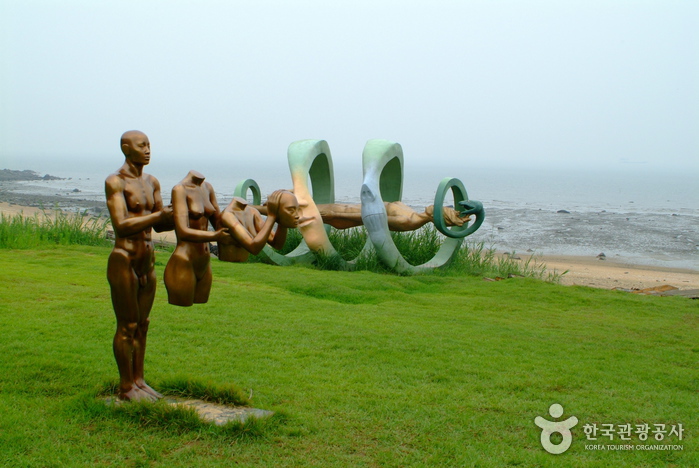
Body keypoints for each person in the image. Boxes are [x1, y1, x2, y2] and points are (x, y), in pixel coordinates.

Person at [105, 130, 173, 402]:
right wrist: (159, 214)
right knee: (127, 325)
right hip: (124, 259)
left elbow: (160, 223)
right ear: (126, 148)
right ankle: (125, 386)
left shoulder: (152, 181)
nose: (147, 150)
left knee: (143, 324)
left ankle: (139, 380)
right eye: (141, 145)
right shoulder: (115, 182)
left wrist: (187, 212)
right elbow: (120, 224)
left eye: (149, 145)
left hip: (148, 259)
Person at [163, 170, 233, 306]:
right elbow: (183, 231)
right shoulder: (180, 190)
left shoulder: (207, 188)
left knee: (202, 307)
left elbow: (219, 223)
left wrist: (240, 216)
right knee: (182, 311)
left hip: (205, 262)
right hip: (185, 260)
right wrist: (215, 236)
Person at [255, 199, 470, 231]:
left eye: (440, 209)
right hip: (347, 206)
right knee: (301, 205)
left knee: (299, 213)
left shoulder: (408, 220)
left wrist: (333, 217)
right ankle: (256, 208)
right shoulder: (412, 212)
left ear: (438, 217)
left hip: (343, 214)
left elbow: (369, 219)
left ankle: (257, 210)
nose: (435, 204)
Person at [216, 190, 295, 262]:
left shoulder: (252, 212)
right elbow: (254, 249)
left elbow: (277, 244)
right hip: (230, 267)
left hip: (243, 269)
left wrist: (282, 219)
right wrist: (271, 216)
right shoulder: (227, 216)